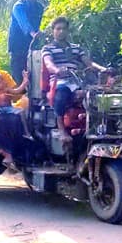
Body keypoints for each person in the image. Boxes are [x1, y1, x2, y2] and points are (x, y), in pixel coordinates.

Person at [41, 16, 107, 147]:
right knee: (61, 95)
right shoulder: (48, 48)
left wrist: (103, 69)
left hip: (76, 81)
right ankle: (62, 129)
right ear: (53, 31)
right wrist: (57, 70)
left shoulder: (76, 48)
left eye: (64, 29)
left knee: (94, 96)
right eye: (58, 29)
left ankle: (96, 126)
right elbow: (48, 64)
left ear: (68, 31)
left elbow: (89, 63)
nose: (61, 31)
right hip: (59, 81)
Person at [8, 0, 45, 85]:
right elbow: (24, 23)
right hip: (17, 48)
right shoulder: (18, 6)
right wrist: (33, 33)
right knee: (19, 80)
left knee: (35, 78)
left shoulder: (39, 8)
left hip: (32, 47)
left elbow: (38, 26)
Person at [0, 71, 29, 142]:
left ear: (2, 82)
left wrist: (25, 81)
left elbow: (17, 91)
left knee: (21, 111)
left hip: (8, 108)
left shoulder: (6, 90)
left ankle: (26, 132)